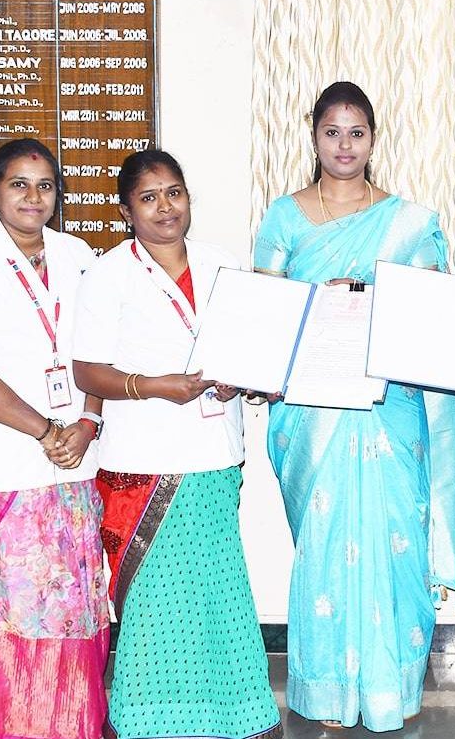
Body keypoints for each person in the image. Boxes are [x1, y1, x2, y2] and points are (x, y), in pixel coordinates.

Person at [253, 81, 455, 732]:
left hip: (389, 409)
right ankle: (328, 693)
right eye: (332, 132)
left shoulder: (410, 222)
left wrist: (374, 300)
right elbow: (265, 320)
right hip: (312, 415)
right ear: (313, 136)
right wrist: (325, 301)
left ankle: (388, 689)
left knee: (393, 540)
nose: (344, 145)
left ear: (373, 139)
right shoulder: (284, 218)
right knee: (324, 547)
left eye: (357, 133)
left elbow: (429, 318)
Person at [72, 149, 280, 739]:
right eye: (149, 197)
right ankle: (147, 721)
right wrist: (156, 386)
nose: (165, 207)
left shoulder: (222, 265)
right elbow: (88, 371)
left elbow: (247, 347)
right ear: (126, 211)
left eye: (174, 193)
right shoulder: (106, 275)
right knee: (155, 603)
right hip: (144, 463)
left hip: (215, 456)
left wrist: (241, 377)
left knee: (216, 592)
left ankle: (234, 716)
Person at [0, 137, 108, 738]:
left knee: (73, 607)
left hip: (73, 459)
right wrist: (46, 430)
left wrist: (87, 423)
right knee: (8, 611)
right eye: (18, 184)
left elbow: (98, 352)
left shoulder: (78, 255)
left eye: (45, 186)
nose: (33, 197)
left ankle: (72, 724)